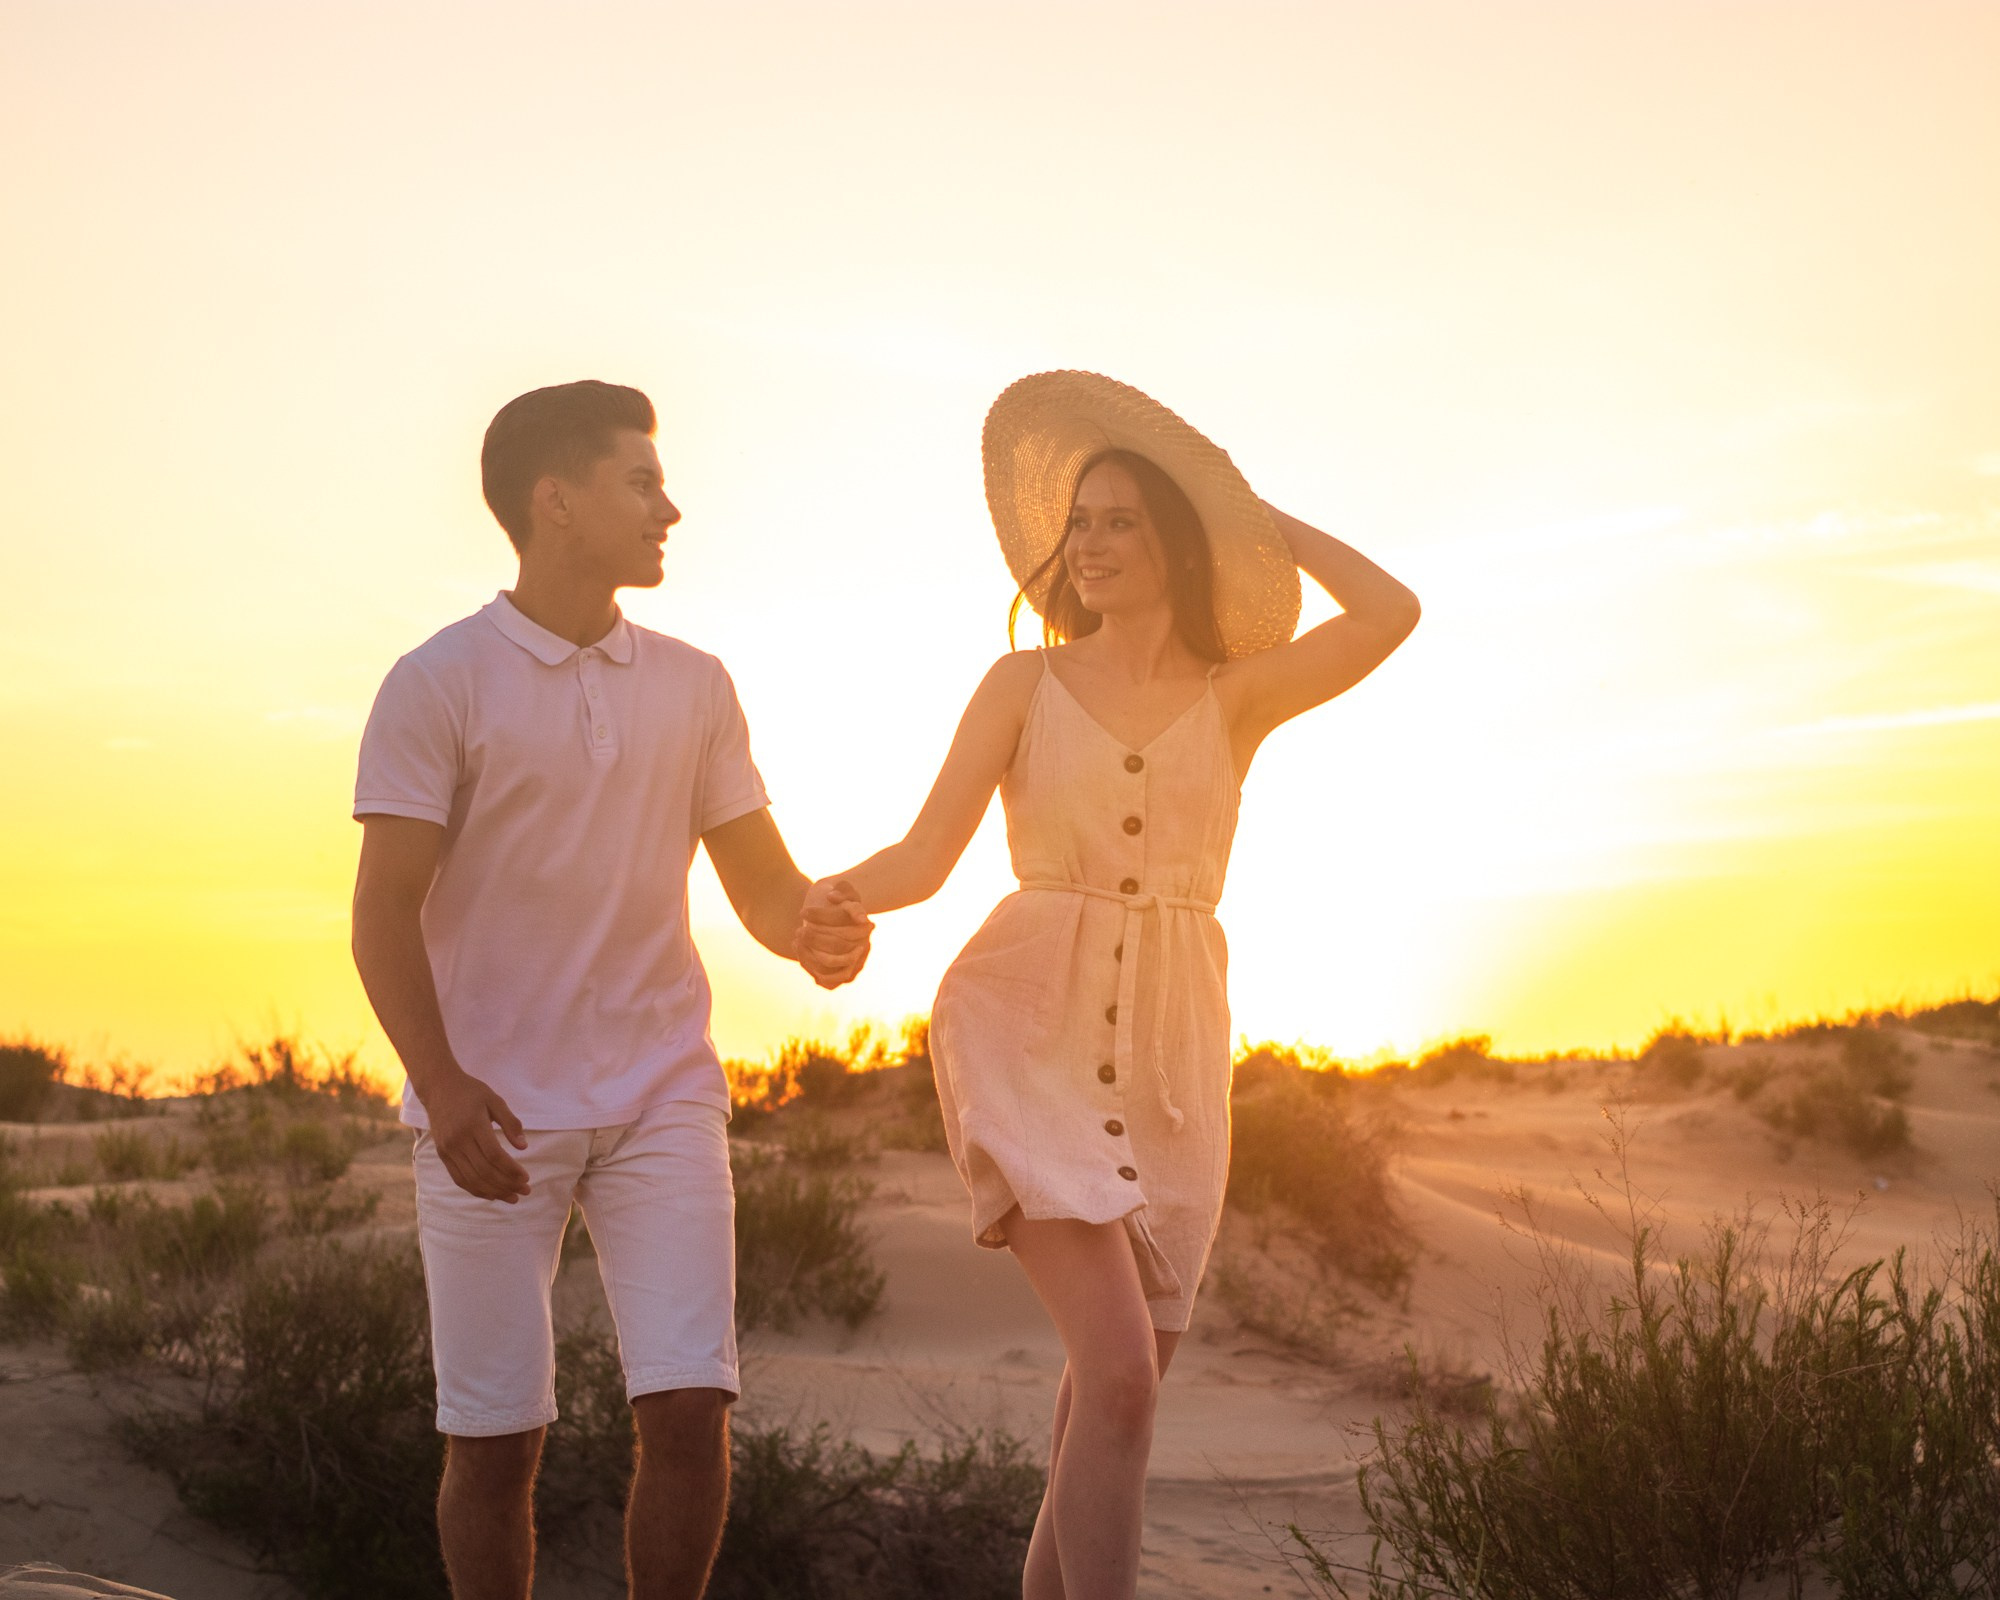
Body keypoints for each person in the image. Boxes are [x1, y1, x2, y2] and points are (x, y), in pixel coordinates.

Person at [797, 371, 1420, 1600]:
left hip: (1174, 1069)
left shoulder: (1233, 699)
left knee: (1110, 1399)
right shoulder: (1019, 686)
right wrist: (839, 895)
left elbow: (1388, 610)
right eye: (1078, 522)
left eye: (1120, 520)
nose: (1087, 543)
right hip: (1023, 1033)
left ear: (1178, 544)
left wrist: (1250, 516)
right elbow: (924, 853)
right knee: (1122, 1381)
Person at [349, 380, 869, 1600]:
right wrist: (442, 1086)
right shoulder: (438, 680)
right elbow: (379, 914)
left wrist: (812, 933)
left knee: (690, 1405)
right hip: (487, 1113)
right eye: (641, 483)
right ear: (555, 501)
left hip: (660, 1094)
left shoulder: (696, 683)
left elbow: (762, 886)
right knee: (496, 1441)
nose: (668, 508)